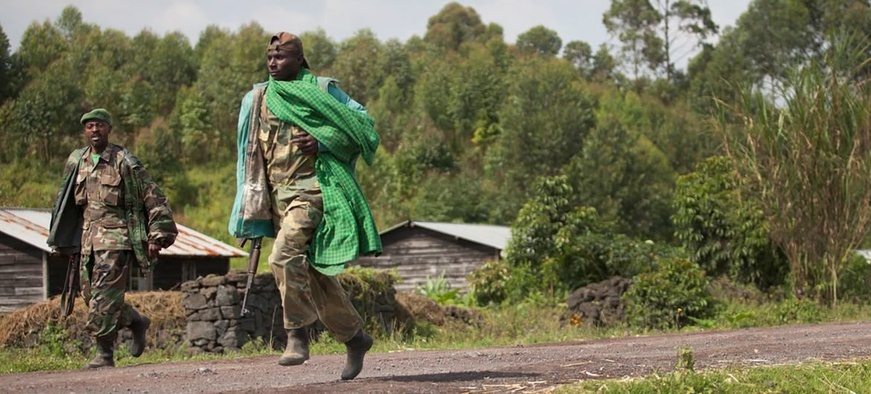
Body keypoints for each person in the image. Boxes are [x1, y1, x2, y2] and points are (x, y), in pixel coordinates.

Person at [228, 32, 382, 380]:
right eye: (269, 56)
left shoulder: (322, 90)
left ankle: (296, 335)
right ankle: (355, 337)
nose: (273, 62)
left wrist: (323, 141)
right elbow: (246, 158)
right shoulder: (257, 98)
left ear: (299, 60)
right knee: (311, 275)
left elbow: (363, 126)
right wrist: (248, 211)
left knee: (281, 257)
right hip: (278, 199)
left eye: (281, 57)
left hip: (313, 191)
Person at [48, 108, 178, 368]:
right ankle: (135, 320)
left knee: (104, 297)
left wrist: (157, 235)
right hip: (87, 241)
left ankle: (104, 354)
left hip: (116, 239)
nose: (94, 130)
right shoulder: (77, 162)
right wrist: (61, 240)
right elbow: (64, 204)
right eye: (89, 126)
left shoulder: (124, 161)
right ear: (84, 131)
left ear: (108, 128)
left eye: (99, 125)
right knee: (89, 296)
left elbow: (153, 196)